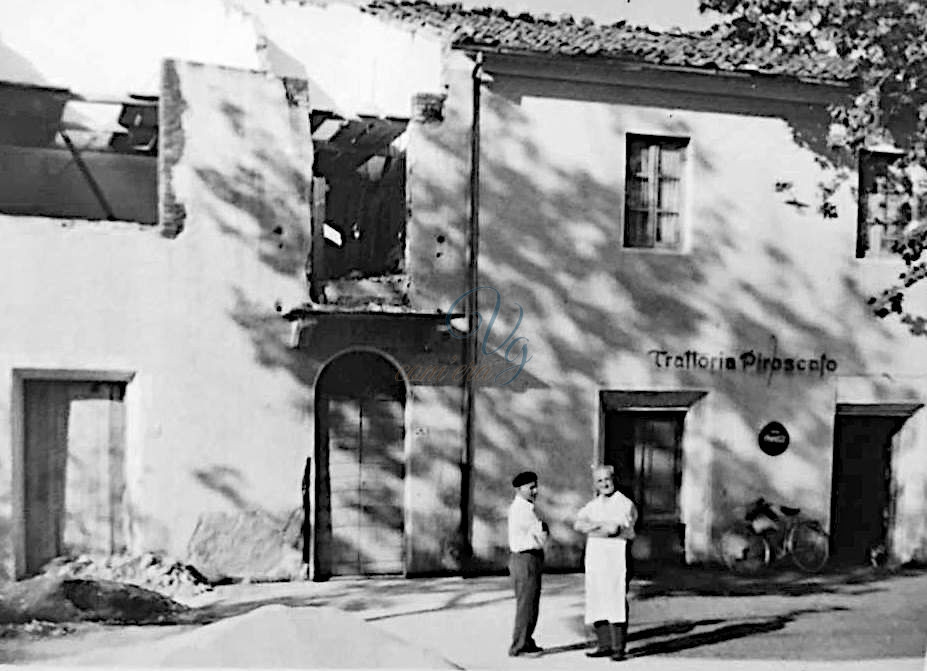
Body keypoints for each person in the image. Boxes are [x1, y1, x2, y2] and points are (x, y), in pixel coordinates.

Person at [573, 464, 637, 662]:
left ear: (614, 479)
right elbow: (578, 523)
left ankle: (618, 647)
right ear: (595, 484)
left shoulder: (624, 503)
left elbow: (614, 530)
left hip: (616, 558)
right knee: (597, 598)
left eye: (607, 479)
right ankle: (604, 644)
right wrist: (601, 525)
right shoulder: (595, 504)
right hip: (596, 558)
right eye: (600, 481)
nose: (604, 484)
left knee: (615, 599)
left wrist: (592, 527)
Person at [507, 470, 549, 658]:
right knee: (526, 604)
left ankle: (527, 640)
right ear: (519, 489)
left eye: (535, 486)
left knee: (531, 603)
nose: (535, 490)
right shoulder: (522, 509)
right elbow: (539, 535)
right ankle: (519, 645)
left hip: (529, 558)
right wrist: (543, 531)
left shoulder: (527, 507)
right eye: (531, 487)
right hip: (525, 558)